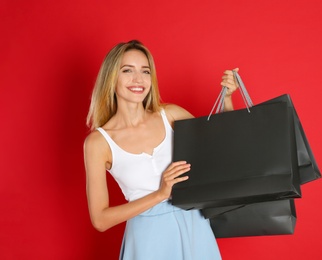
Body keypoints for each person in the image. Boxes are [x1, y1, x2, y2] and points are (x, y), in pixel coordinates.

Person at [84, 40, 238, 260]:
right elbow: (100, 219)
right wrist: (160, 194)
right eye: (128, 70)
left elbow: (222, 144)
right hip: (148, 239)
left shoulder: (171, 115)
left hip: (194, 226)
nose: (138, 79)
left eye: (145, 71)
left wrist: (228, 97)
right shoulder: (99, 143)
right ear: (111, 77)